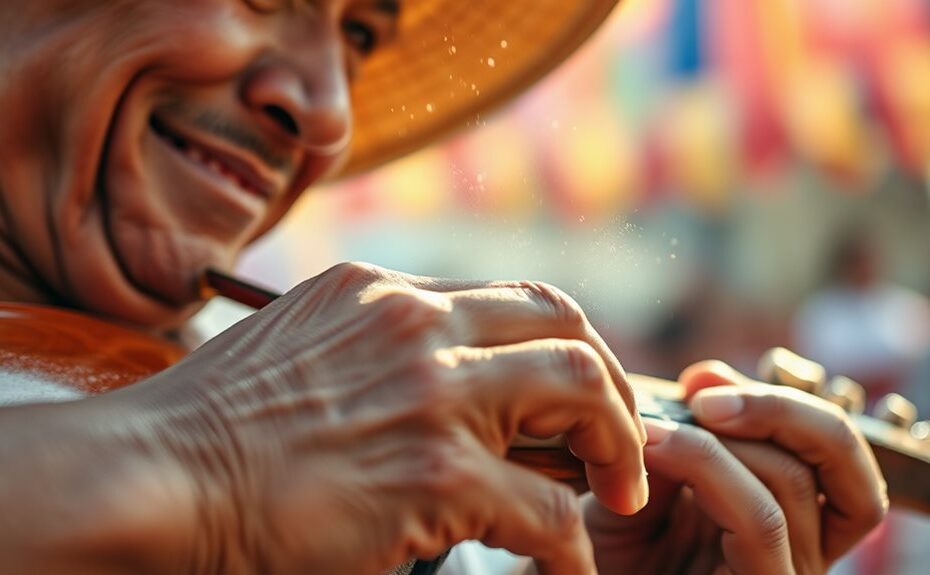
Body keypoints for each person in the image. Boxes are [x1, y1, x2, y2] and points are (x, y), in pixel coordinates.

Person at [0, 1, 887, 574]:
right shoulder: (268, 432)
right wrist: (202, 460)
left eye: (356, 37)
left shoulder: (348, 469)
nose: (328, 111)